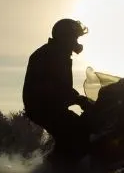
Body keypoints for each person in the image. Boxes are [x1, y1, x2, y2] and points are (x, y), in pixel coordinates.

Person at [22, 18, 94, 161]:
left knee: (74, 131)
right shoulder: (52, 54)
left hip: (49, 106)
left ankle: (56, 167)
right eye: (75, 37)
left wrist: (77, 99)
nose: (77, 42)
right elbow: (55, 85)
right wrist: (79, 99)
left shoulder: (57, 53)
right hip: (43, 107)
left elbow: (60, 87)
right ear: (65, 37)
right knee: (78, 131)